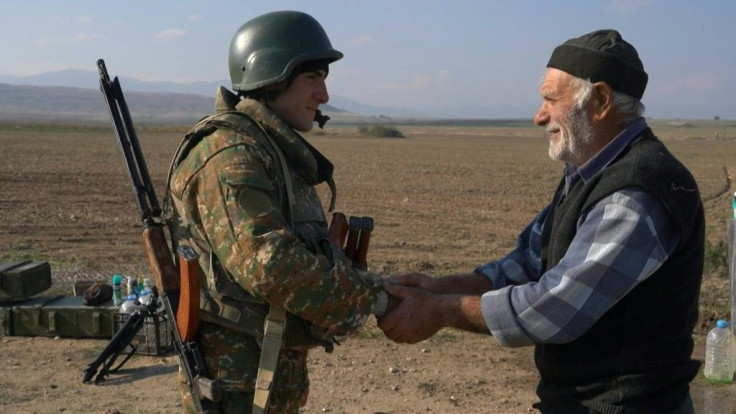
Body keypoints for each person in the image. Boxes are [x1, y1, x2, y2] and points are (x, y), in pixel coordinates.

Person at [379, 29, 703, 414]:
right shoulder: (588, 175)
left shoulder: (635, 192)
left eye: (551, 99)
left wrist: (443, 310)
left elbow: (555, 308)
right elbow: (528, 263)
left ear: (599, 101)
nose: (539, 116)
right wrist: (438, 287)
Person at [166, 10, 391, 413]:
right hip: (235, 385)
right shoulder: (229, 155)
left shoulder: (269, 151)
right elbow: (271, 265)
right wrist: (375, 300)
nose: (323, 96)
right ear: (272, 76)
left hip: (266, 375)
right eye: (312, 78)